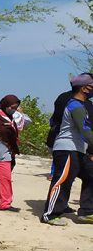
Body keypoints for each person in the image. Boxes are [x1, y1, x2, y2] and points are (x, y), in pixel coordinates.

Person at [41, 73, 93, 225]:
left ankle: (87, 211)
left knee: (91, 175)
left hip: (79, 150)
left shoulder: (82, 105)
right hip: (67, 149)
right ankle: (50, 214)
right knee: (63, 181)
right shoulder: (75, 105)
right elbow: (86, 132)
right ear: (85, 88)